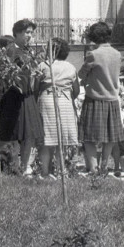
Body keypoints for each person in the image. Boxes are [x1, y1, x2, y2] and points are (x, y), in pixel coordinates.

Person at [0, 20, 42, 175]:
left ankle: (24, 166)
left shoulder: (27, 51)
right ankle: (12, 167)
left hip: (27, 96)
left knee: (29, 134)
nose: (30, 36)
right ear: (18, 33)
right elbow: (5, 75)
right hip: (13, 98)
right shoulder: (10, 50)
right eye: (27, 32)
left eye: (31, 33)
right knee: (12, 134)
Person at [77, 21, 124, 176]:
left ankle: (93, 168)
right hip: (112, 99)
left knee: (89, 136)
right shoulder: (117, 54)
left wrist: (86, 79)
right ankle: (104, 165)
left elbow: (81, 74)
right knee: (110, 137)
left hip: (95, 99)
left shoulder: (93, 54)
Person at [37, 38, 80, 179]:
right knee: (62, 140)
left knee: (47, 139)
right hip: (66, 101)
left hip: (47, 100)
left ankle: (45, 172)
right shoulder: (71, 67)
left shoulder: (43, 65)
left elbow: (35, 87)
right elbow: (77, 90)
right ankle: (62, 172)